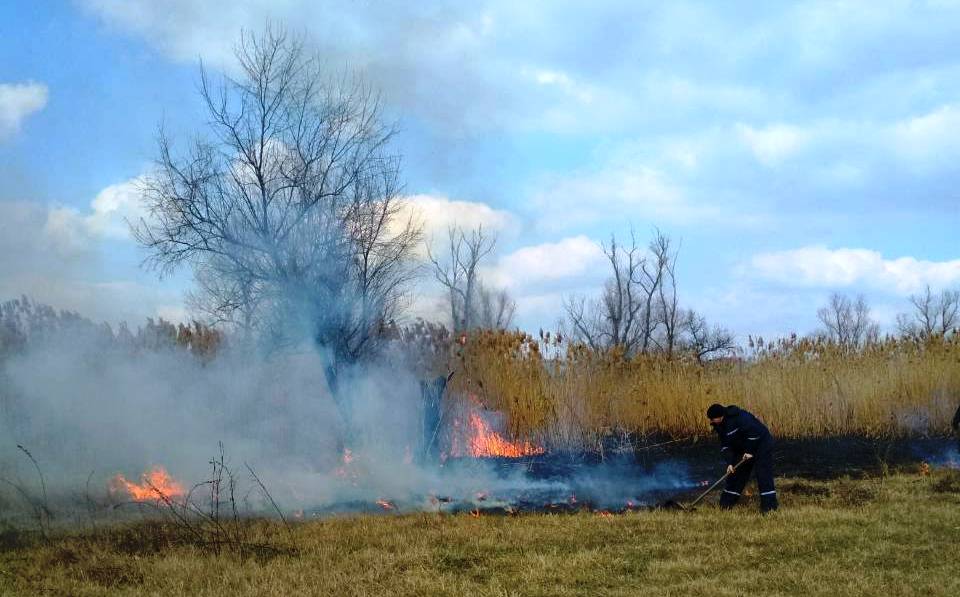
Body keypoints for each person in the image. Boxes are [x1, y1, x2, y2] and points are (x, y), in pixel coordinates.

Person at [706, 403, 778, 513]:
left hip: (761, 444)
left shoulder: (741, 417)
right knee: (736, 473)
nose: (711, 421)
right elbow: (726, 446)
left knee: (763, 474)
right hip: (743, 447)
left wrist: (749, 451)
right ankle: (725, 505)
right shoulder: (719, 426)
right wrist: (730, 463)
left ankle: (769, 508)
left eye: (712, 419)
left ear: (721, 416)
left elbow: (755, 433)